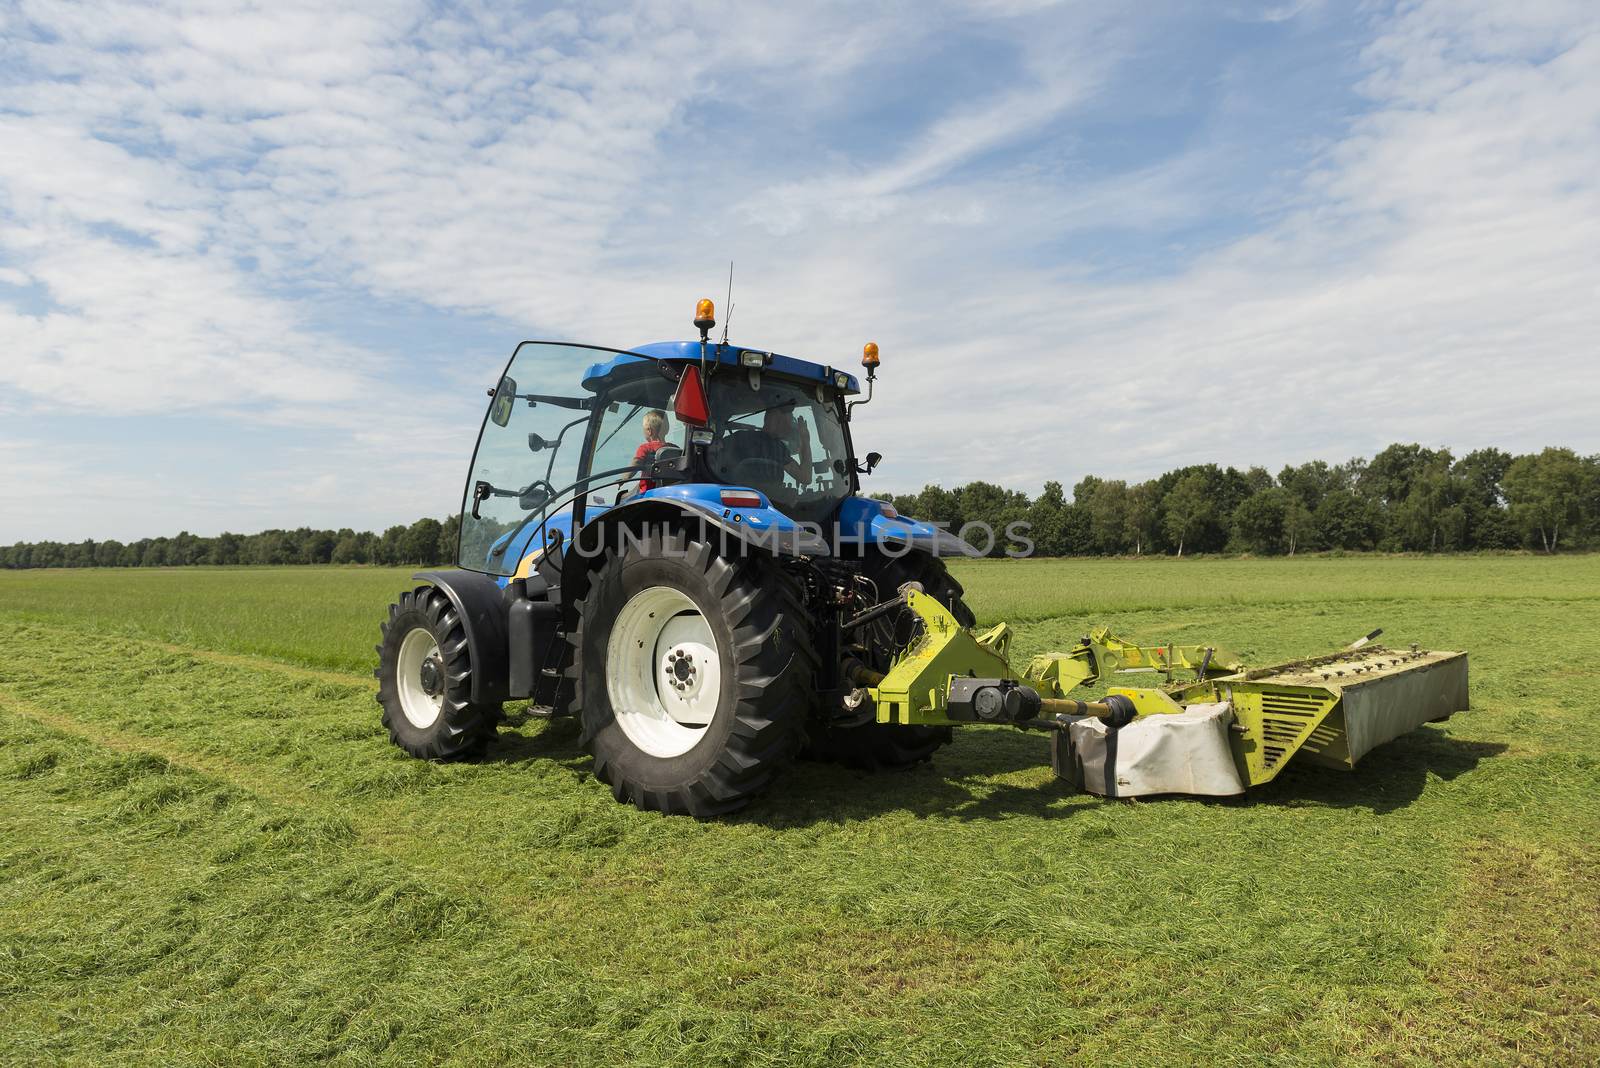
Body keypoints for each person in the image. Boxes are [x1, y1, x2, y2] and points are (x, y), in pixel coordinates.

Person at [633, 409, 670, 491]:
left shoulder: (645, 448)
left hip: (647, 493)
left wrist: (624, 478)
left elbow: (636, 464)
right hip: (668, 491)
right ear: (667, 429)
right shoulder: (674, 448)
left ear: (649, 431)